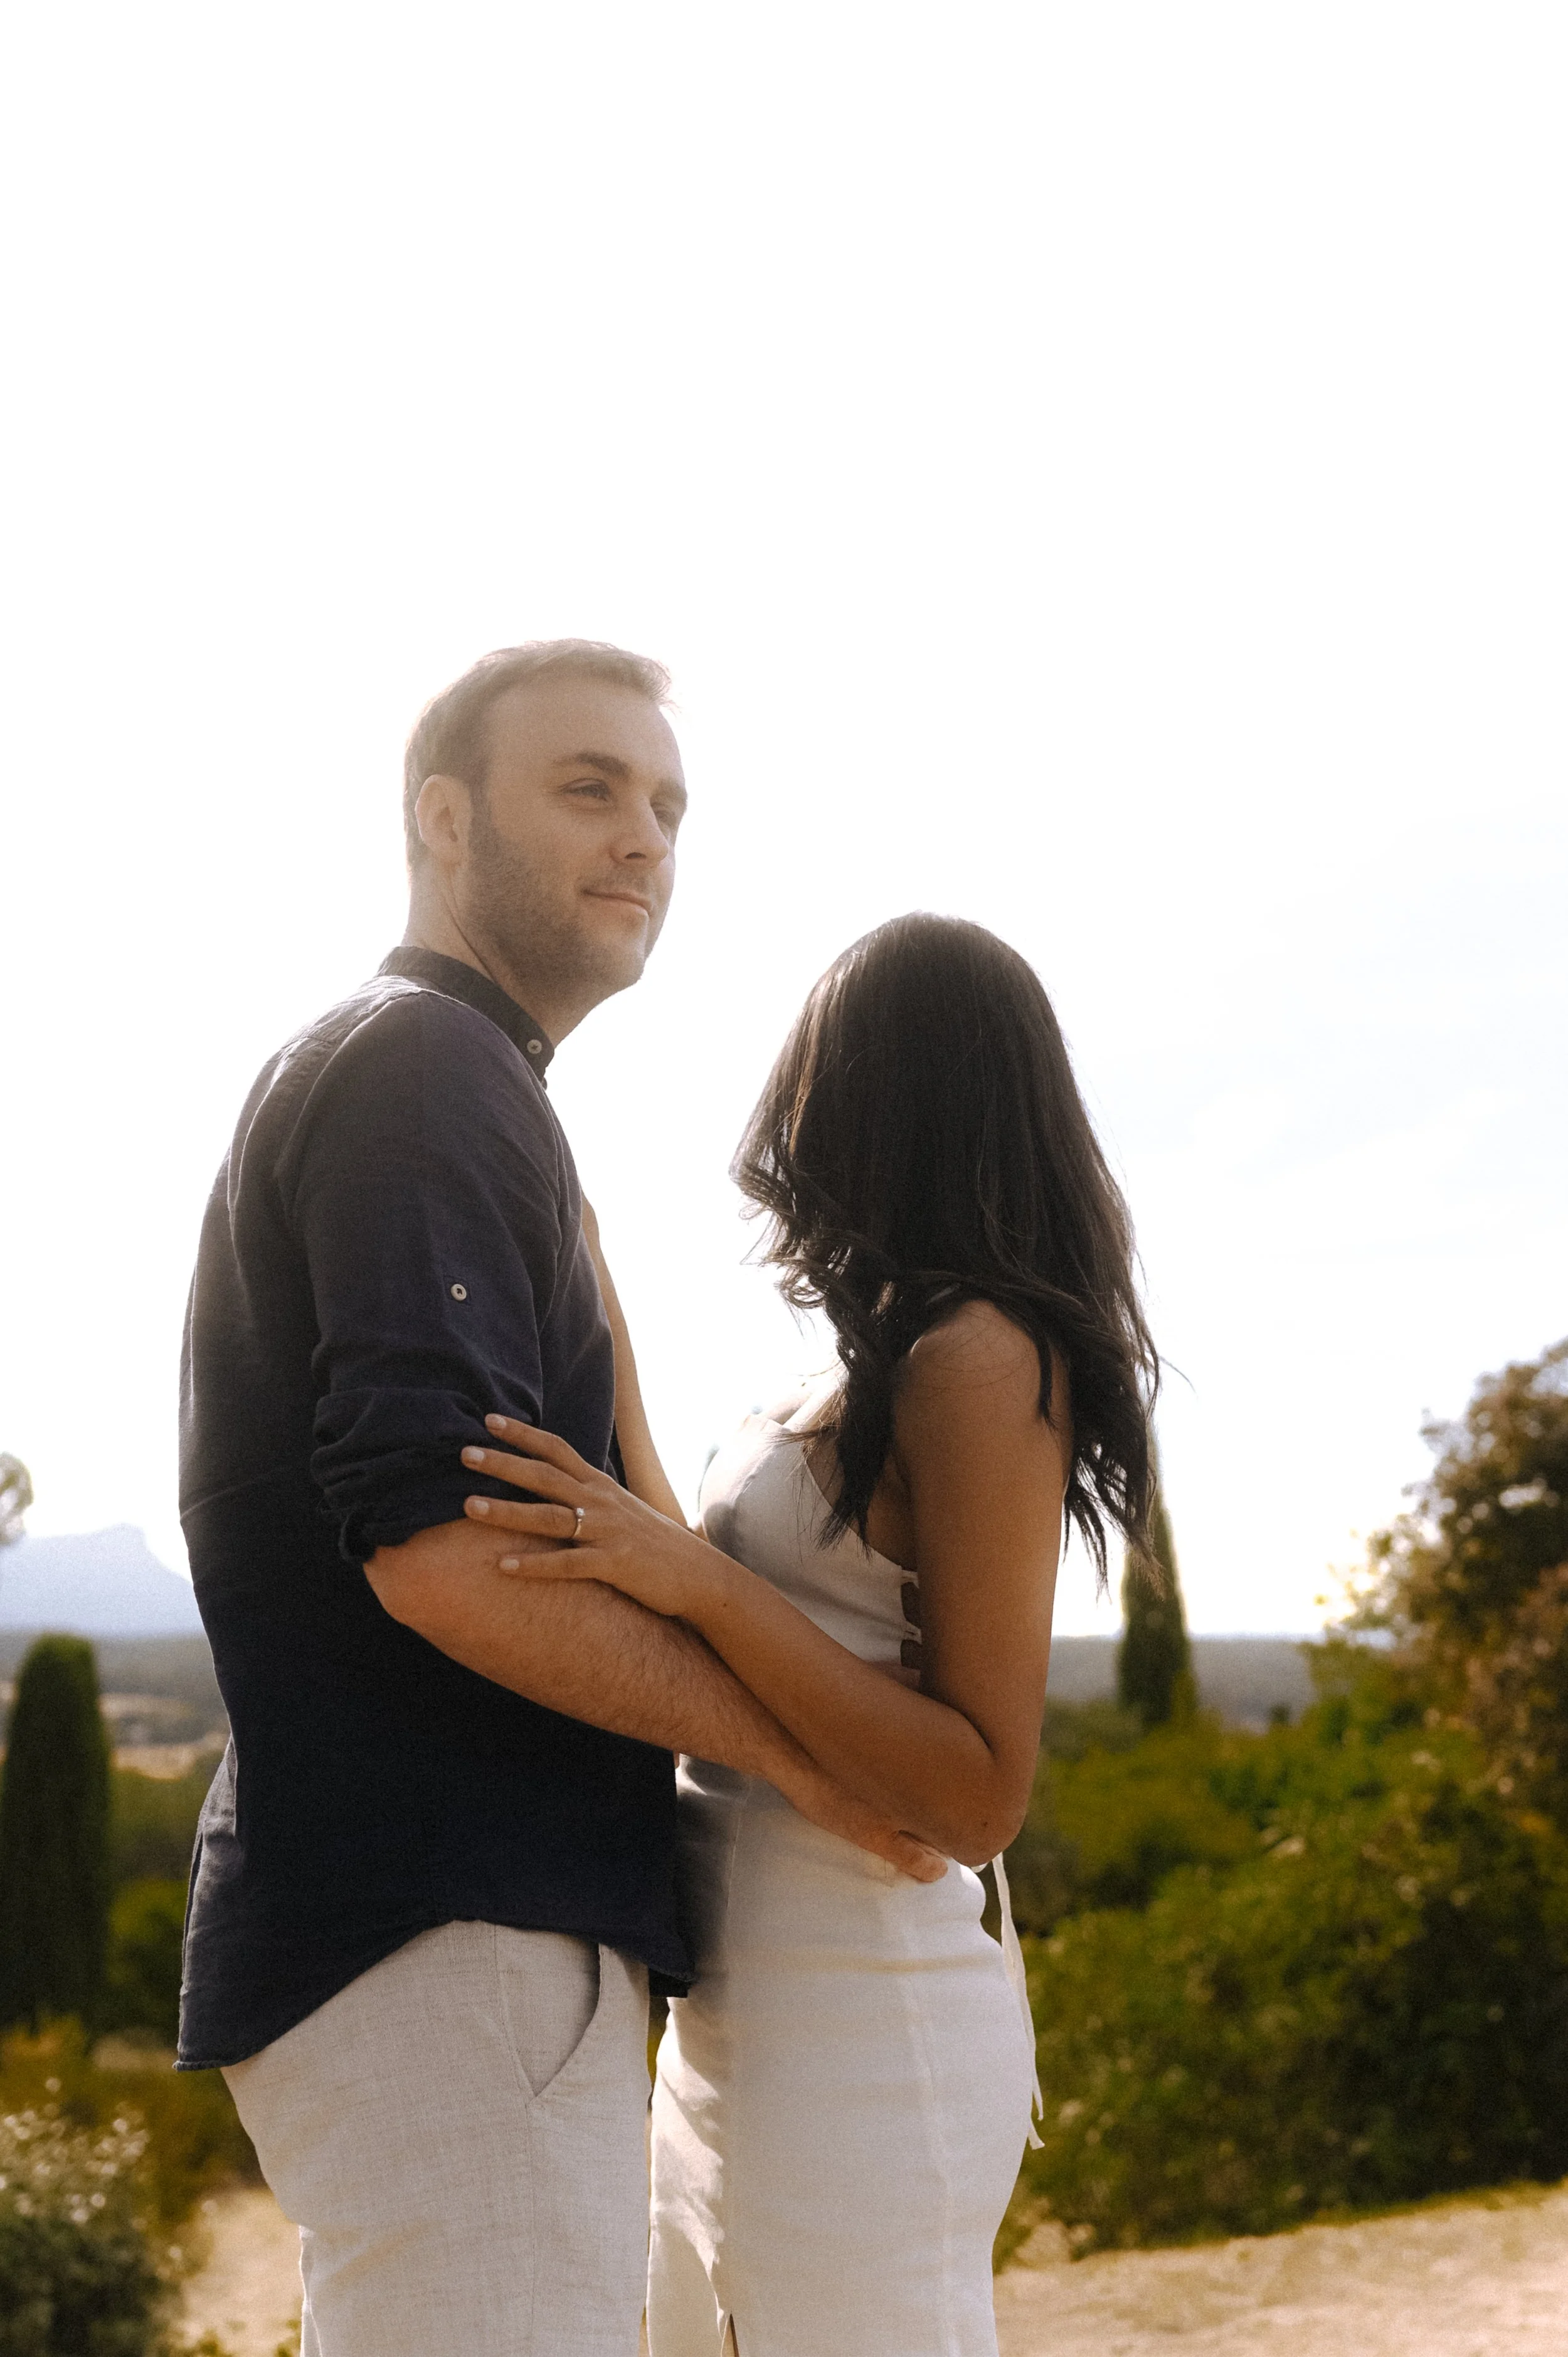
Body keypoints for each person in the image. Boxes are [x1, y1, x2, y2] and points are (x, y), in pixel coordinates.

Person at [176, 642, 940, 2357]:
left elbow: (622, 1526)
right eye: (586, 787)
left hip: (444, 1937)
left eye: (667, 804)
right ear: (444, 822)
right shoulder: (421, 1070)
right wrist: (812, 1758)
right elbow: (443, 1557)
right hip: (452, 1932)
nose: (644, 838)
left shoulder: (468, 1087)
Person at [460, 911, 1159, 2357]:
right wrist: (592, 1286)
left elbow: (974, 1792)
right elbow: (680, 1558)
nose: (788, 1097)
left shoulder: (978, 1354)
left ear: (885, 1088)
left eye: (821, 1057)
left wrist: (704, 1585)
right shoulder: (867, 1355)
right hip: (740, 2011)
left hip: (863, 2011)